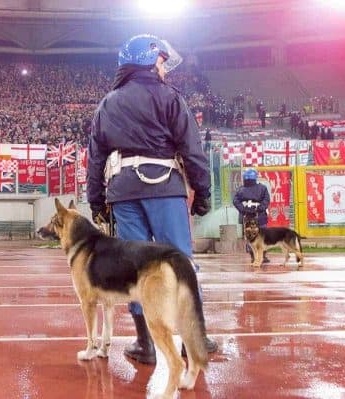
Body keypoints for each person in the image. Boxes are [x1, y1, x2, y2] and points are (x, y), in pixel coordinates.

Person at [87, 34, 218, 366]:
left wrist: (96, 202)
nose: (164, 69)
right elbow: (192, 149)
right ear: (147, 61)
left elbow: (95, 160)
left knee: (135, 267)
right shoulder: (169, 97)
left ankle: (145, 343)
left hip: (123, 192)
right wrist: (202, 192)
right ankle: (194, 340)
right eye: (161, 62)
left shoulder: (107, 104)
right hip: (165, 188)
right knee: (180, 261)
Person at [233, 169, 271, 264]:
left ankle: (255, 256)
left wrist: (244, 209)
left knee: (251, 236)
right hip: (258, 215)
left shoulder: (241, 189)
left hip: (249, 215)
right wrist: (259, 208)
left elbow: (236, 201)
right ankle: (261, 256)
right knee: (261, 236)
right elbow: (266, 200)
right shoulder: (262, 188)